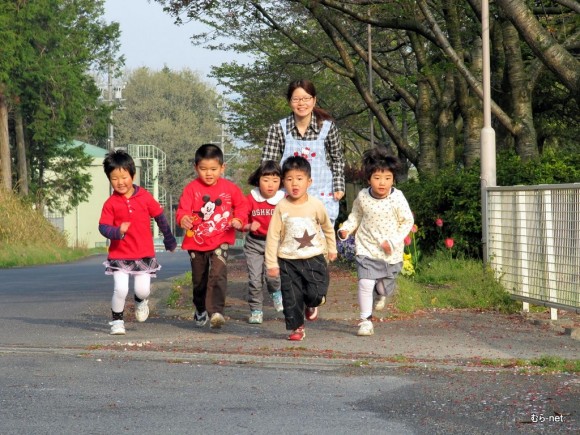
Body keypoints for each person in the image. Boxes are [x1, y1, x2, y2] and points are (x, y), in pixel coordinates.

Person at [99, 149, 177, 335]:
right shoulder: (110, 203)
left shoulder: (145, 197)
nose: (120, 182)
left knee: (143, 290)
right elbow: (103, 227)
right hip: (119, 255)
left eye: (124, 177)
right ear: (109, 180)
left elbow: (160, 217)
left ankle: (141, 301)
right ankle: (117, 321)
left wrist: (169, 238)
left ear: (132, 175)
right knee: (120, 289)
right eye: (114, 178)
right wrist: (117, 232)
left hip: (143, 253)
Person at [338, 148, 413, 337]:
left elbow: (407, 221)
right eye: (378, 178)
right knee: (365, 282)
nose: (382, 183)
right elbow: (356, 215)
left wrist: (393, 242)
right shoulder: (363, 196)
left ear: (393, 179)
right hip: (366, 248)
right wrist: (346, 228)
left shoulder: (398, 197)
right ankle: (365, 321)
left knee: (382, 288)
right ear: (369, 178)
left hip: (390, 254)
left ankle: (381, 294)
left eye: (387, 178)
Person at [176, 143, 249, 329]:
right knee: (199, 280)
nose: (209, 174)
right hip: (196, 242)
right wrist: (183, 218)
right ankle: (200, 308)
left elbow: (242, 206)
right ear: (196, 168)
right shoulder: (191, 189)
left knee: (218, 274)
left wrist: (239, 220)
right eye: (203, 169)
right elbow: (182, 210)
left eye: (214, 169)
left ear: (222, 168)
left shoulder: (230, 188)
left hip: (220, 239)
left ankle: (216, 312)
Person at [265, 156, 337, 341]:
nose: (294, 184)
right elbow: (273, 236)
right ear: (283, 183)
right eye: (289, 179)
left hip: (314, 257)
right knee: (291, 296)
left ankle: (312, 304)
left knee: (315, 293)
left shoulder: (315, 205)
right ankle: (297, 327)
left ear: (309, 181)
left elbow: (328, 228)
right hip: (288, 259)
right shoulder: (281, 206)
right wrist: (271, 263)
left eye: (299, 178)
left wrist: (332, 248)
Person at [262, 79, 345, 223]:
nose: (301, 104)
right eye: (296, 99)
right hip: (289, 196)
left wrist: (338, 186)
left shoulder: (327, 128)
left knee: (321, 241)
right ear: (289, 101)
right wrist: (269, 190)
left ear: (314, 100)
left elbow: (337, 159)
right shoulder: (277, 129)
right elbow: (268, 165)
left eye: (306, 98)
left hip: (321, 194)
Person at [242, 160, 286, 324]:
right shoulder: (251, 199)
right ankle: (256, 310)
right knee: (255, 280)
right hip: (254, 244)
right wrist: (247, 225)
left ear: (280, 182)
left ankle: (276, 293)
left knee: (273, 277)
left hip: (275, 244)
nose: (270, 185)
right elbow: (240, 219)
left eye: (275, 181)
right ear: (258, 180)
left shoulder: (284, 199)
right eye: (266, 180)